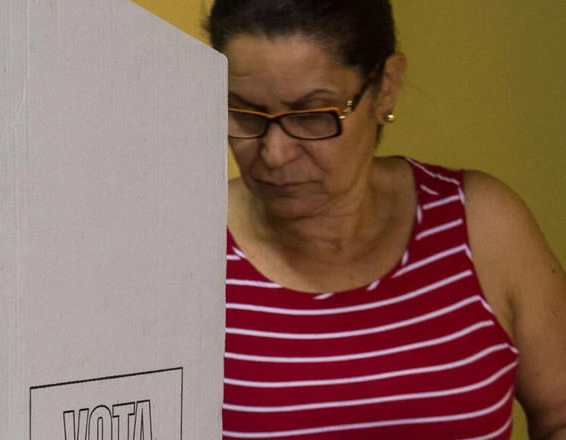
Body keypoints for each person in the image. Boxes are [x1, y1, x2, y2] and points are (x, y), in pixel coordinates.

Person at [210, 0, 566, 438]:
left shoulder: (482, 226)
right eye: (244, 112)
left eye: (310, 115)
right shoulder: (186, 245)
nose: (274, 154)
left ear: (385, 87)